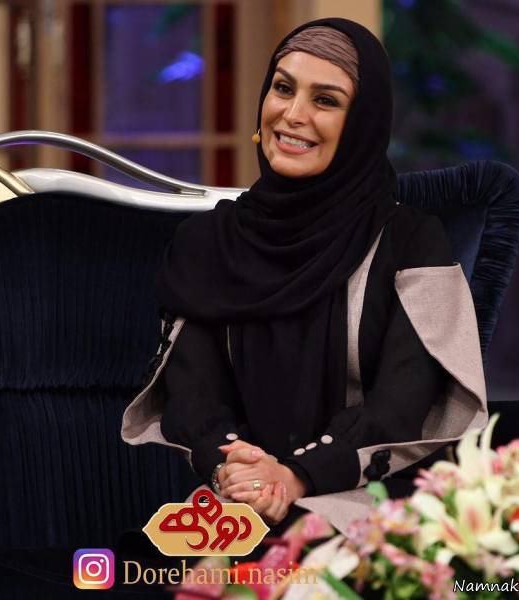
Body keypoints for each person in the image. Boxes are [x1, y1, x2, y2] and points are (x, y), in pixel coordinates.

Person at [121, 17, 487, 536]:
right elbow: (193, 395)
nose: (293, 115)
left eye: (326, 100)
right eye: (283, 88)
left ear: (362, 124)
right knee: (159, 565)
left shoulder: (410, 242)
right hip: (237, 503)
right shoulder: (206, 243)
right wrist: (234, 465)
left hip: (367, 508)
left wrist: (296, 476)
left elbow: (403, 405)